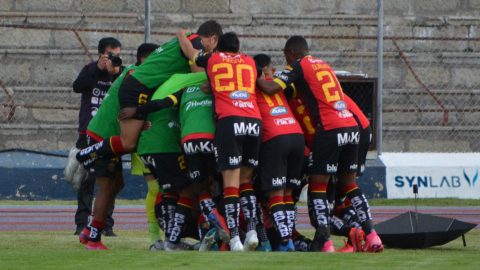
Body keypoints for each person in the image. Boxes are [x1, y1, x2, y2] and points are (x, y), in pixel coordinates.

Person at [255, 35, 383, 253]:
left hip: (329, 128)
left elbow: (270, 89)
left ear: (293, 53)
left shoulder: (298, 66)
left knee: (318, 186)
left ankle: (325, 242)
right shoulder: (324, 65)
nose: (287, 63)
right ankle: (372, 236)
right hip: (351, 126)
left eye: (287, 58)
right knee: (349, 186)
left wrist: (252, 76)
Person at [64, 21, 222, 181]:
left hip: (140, 85)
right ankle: (80, 156)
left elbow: (183, 37)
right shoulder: (197, 43)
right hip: (138, 86)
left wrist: (182, 34)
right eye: (215, 48)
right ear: (213, 39)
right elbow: (198, 70)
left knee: (130, 143)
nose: (214, 52)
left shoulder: (187, 37)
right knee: (128, 143)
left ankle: (86, 159)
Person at [177, 31, 261, 252]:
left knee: (230, 183)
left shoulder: (213, 58)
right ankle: (252, 230)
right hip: (253, 120)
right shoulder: (250, 61)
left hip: (230, 119)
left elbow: (190, 52)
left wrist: (182, 36)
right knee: (246, 180)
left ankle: (234, 239)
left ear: (220, 49)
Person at [77, 43, 159, 250]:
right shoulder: (137, 77)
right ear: (146, 61)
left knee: (117, 184)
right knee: (106, 188)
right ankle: (94, 238)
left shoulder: (132, 72)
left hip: (108, 134)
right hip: (105, 135)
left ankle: (89, 229)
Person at [69, 37, 124, 237]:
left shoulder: (121, 73)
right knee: (85, 180)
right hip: (88, 132)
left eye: (118, 55)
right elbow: (77, 87)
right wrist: (96, 69)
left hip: (110, 135)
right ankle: (82, 223)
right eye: (111, 55)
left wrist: (115, 73)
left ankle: (106, 224)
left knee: (109, 180)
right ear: (101, 55)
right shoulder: (90, 69)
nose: (114, 59)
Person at [253, 54, 305, 251]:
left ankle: (285, 242)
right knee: (288, 194)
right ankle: (289, 236)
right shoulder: (278, 84)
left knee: (276, 193)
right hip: (296, 135)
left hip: (275, 137)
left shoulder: (251, 87)